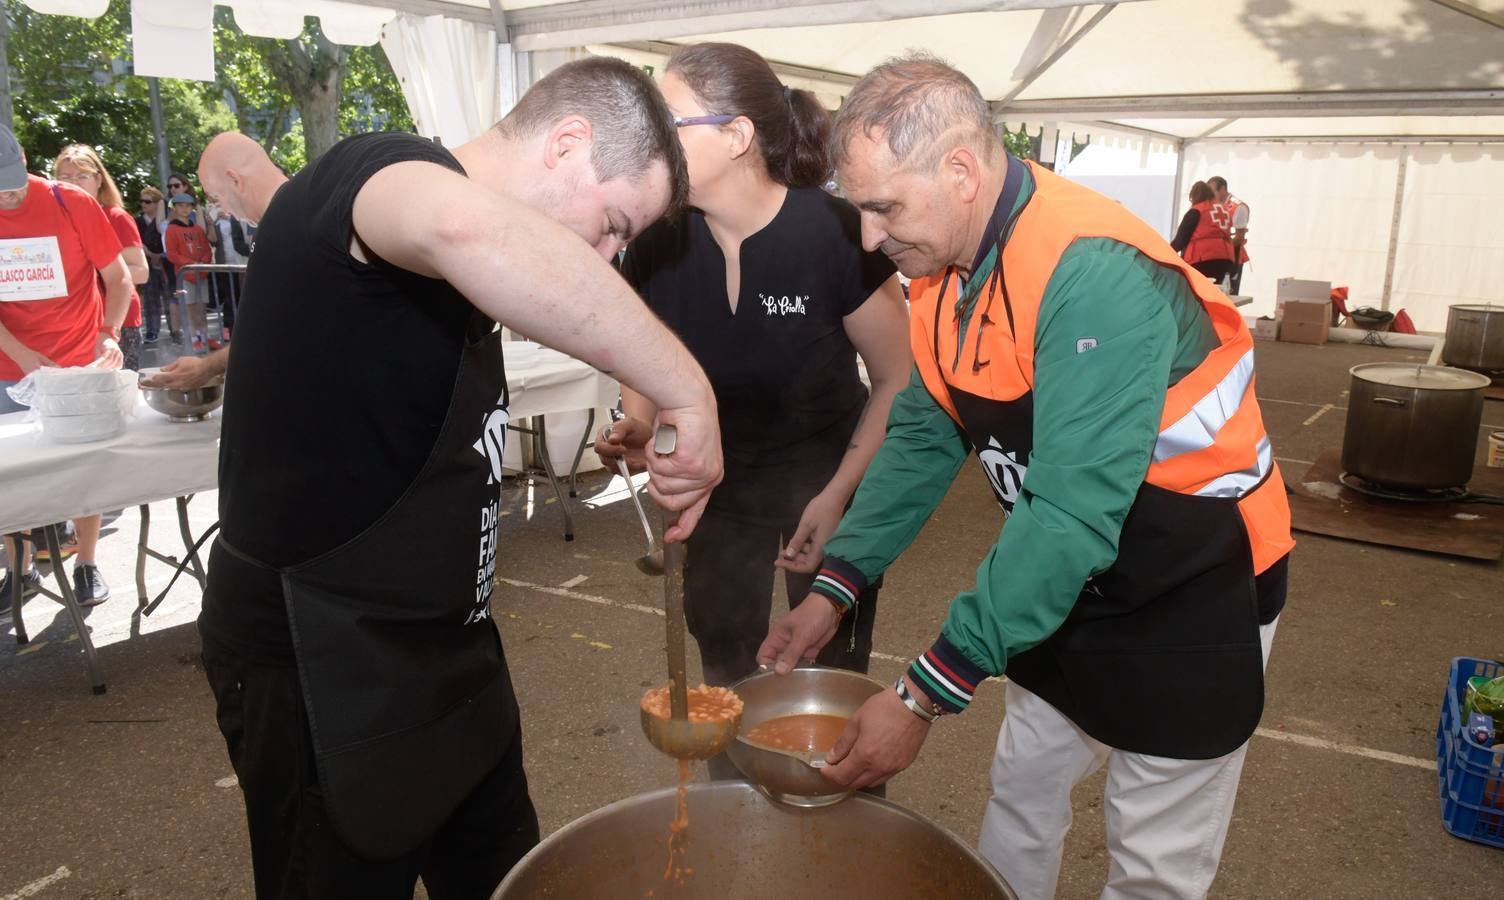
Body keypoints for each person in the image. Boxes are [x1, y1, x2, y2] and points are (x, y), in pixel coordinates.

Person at [758, 56, 1292, 900]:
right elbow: (927, 434)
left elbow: (1073, 513)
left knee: (1152, 859)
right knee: (1023, 792)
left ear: (962, 171)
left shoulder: (1092, 272)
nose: (869, 237)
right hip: (1060, 581)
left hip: (1191, 579)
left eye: (882, 207)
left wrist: (924, 692)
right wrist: (840, 583)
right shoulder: (939, 267)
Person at [199, 57, 721, 897]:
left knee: (513, 877)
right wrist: (686, 390)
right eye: (616, 223)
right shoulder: (379, 172)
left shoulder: (470, 283)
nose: (610, 257)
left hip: (452, 651)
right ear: (565, 144)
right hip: (324, 662)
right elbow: (458, 225)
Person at [594, 43, 909, 749]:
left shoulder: (833, 233)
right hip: (716, 490)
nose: (646, 141)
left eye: (666, 122)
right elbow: (645, 356)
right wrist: (637, 421)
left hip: (830, 482)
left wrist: (835, 500)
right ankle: (733, 821)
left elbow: (897, 381)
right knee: (724, 674)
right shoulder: (655, 242)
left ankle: (832, 820)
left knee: (826, 677)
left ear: (736, 137)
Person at [0, 125, 133, 610]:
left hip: (80, 359)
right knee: (10, 474)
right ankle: (19, 567)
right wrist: (20, 354)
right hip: (8, 367)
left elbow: (118, 280)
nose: (7, 196)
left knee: (84, 469)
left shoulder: (70, 203)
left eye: (10, 181)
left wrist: (109, 334)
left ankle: (87, 562)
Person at [142, 133, 290, 392]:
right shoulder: (278, 224)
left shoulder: (292, 226)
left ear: (235, 179)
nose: (222, 208)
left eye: (216, 197)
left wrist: (207, 367)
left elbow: (286, 333)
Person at [53, 144, 150, 371]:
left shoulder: (116, 217)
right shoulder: (55, 220)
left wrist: (95, 274)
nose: (73, 183)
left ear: (98, 180)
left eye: (81, 176)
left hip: (116, 323)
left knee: (118, 395)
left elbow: (141, 271)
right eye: (65, 176)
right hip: (75, 326)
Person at [164, 192, 213, 352]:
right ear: (175, 208)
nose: (184, 209)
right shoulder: (171, 229)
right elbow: (172, 254)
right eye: (180, 206)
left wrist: (204, 263)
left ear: (192, 208)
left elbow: (206, 249)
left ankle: (204, 337)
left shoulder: (198, 229)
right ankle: (194, 338)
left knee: (201, 307)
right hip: (186, 275)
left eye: (188, 206)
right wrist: (192, 263)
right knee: (190, 307)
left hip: (201, 273)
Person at [1171, 180, 1235, 287]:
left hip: (1202, 259)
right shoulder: (1224, 210)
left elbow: (1181, 239)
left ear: (1194, 196)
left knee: (1200, 293)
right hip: (1226, 259)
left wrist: (1166, 254)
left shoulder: (1196, 211)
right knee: (1218, 292)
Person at [134, 185, 169, 342]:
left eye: (147, 201)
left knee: (170, 296)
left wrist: (161, 256)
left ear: (156, 203)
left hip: (166, 262)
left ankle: (175, 330)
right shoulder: (137, 221)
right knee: (150, 298)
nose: (144, 204)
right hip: (147, 262)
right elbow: (135, 242)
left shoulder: (166, 220)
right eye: (142, 201)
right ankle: (152, 331)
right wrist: (151, 255)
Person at [1209, 176, 1250, 294]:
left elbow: (1239, 238)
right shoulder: (1212, 205)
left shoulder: (1238, 207)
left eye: (1213, 191)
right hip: (1215, 257)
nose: (1210, 195)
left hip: (1233, 257)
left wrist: (1218, 247)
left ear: (1222, 189)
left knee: (1229, 294)